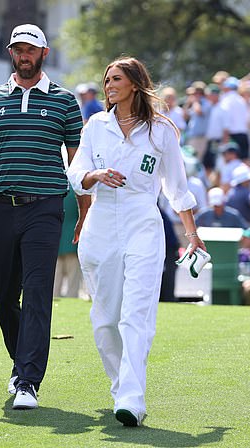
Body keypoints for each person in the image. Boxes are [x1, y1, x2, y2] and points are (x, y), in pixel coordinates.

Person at [0, 23, 85, 410]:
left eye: (31, 50)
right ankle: (19, 360)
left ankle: (28, 380)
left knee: (39, 292)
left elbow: (77, 163)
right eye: (18, 50)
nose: (23, 56)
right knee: (4, 292)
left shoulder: (64, 101)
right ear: (12, 54)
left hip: (44, 208)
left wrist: (85, 211)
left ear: (43, 53)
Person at [67, 56, 204, 427]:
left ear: (134, 83)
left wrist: (193, 234)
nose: (109, 85)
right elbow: (75, 174)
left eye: (116, 79)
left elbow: (177, 188)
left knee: (135, 315)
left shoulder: (161, 130)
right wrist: (95, 174)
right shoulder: (95, 125)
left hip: (143, 221)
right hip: (100, 225)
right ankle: (121, 387)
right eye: (107, 79)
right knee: (105, 320)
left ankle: (132, 398)